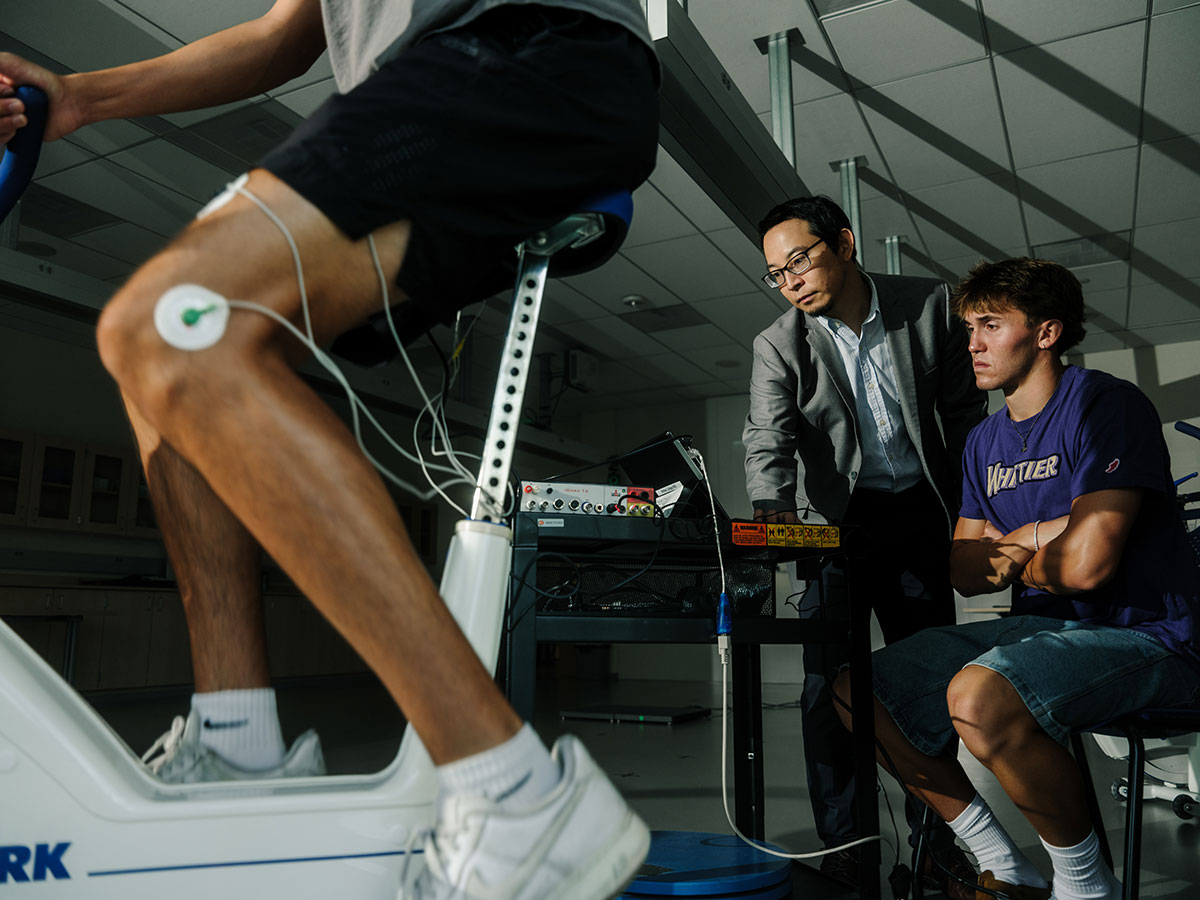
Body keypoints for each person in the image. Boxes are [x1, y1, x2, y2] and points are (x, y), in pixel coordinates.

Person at [0, 1, 658, 896]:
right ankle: (239, 745)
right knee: (154, 360)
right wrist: (77, 97)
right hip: (442, 89)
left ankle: (513, 791)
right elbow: (284, 34)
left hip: (526, 56)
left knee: (174, 329)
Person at [835, 257, 1200, 900]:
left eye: (990, 325)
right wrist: (1050, 533)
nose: (971, 342)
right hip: (1043, 626)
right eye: (968, 326)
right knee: (854, 692)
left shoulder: (1105, 406)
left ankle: (1087, 887)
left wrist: (1017, 545)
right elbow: (963, 572)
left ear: (1046, 332)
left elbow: (1089, 568)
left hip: (1148, 636)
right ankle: (1003, 863)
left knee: (980, 696)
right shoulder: (982, 441)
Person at [742, 195, 987, 892]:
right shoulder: (779, 343)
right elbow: (768, 438)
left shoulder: (930, 305)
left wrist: (973, 512)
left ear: (844, 245)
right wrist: (773, 515)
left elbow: (965, 413)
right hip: (834, 530)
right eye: (776, 274)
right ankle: (847, 847)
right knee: (827, 691)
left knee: (926, 687)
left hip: (917, 518)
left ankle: (938, 844)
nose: (790, 281)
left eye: (799, 260)